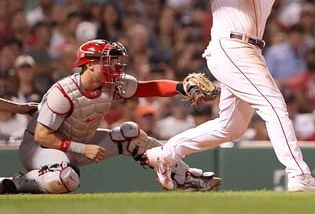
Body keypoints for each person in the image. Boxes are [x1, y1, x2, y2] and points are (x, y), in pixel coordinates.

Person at [146, 0, 315, 192]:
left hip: (250, 50)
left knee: (231, 127)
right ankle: (299, 175)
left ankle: (166, 154)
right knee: (274, 105)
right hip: (228, 45)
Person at [0, 39, 220, 194]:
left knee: (132, 135)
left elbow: (148, 88)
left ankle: (186, 177)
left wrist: (181, 87)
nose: (114, 66)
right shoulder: (63, 92)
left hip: (77, 143)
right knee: (66, 179)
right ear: (90, 65)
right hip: (40, 149)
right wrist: (82, 149)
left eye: (115, 60)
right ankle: (17, 183)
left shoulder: (111, 83)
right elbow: (41, 136)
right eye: (107, 61)